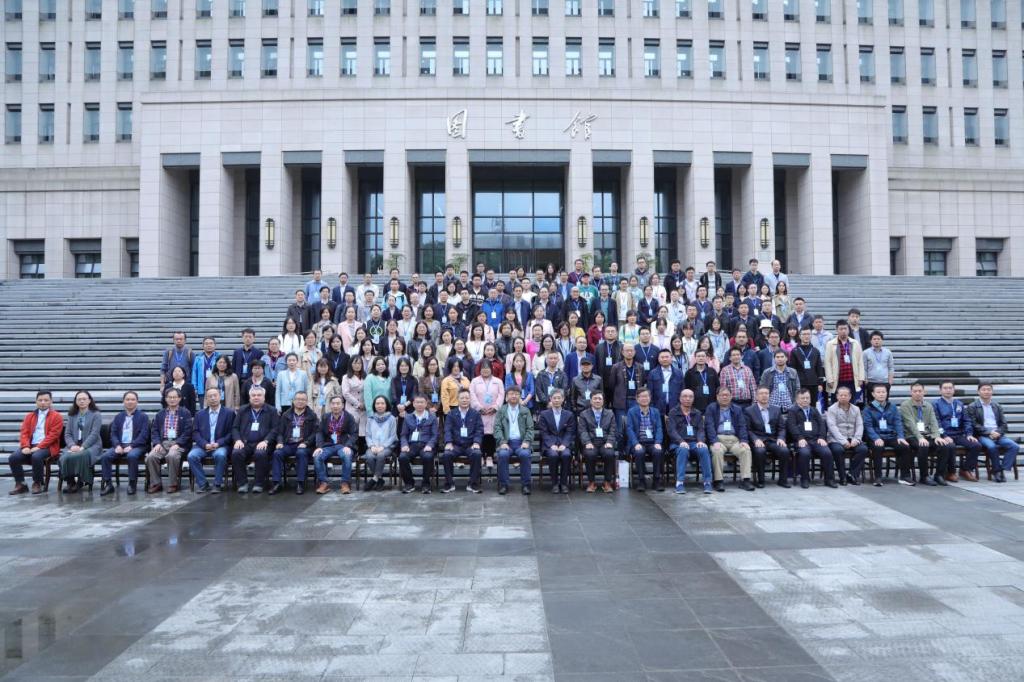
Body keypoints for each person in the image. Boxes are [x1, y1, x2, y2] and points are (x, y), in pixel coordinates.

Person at [10, 391, 63, 495]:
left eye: (46, 400)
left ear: (51, 401)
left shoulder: (57, 416)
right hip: (30, 445)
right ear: (36, 401)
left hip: (48, 446)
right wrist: (25, 446)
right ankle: (21, 484)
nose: (43, 402)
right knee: (13, 457)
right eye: (40, 400)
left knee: (36, 456)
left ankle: (37, 483)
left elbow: (53, 435)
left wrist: (39, 446)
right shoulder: (29, 416)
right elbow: (24, 433)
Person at [99, 391, 151, 496]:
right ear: (123, 401)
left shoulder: (143, 417)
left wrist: (132, 446)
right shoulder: (119, 417)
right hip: (121, 445)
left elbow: (144, 435)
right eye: (127, 399)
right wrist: (117, 445)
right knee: (105, 456)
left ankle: (132, 483)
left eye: (132, 399)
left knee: (132, 456)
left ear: (137, 402)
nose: (130, 402)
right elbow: (113, 433)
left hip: (137, 446)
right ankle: (108, 484)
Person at [704, 387, 754, 492]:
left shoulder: (737, 409)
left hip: (734, 439)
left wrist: (744, 441)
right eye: (722, 395)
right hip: (719, 439)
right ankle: (718, 481)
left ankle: (745, 480)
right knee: (716, 451)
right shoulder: (711, 408)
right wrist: (714, 441)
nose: (725, 397)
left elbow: (742, 426)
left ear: (731, 397)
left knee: (746, 450)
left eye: (727, 395)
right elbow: (709, 426)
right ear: (717, 397)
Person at [231, 386, 279, 494]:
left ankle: (258, 484)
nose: (256, 397)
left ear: (264, 397)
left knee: (260, 453)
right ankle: (242, 483)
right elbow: (235, 428)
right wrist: (237, 440)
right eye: (253, 395)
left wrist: (266, 441)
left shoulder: (272, 410)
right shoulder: (242, 410)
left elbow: (275, 429)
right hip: (245, 443)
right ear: (249, 398)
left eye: (259, 395)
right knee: (236, 453)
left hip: (263, 443)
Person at [967, 383, 1019, 483]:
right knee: (991, 447)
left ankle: (1000, 470)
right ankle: (997, 471)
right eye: (984, 390)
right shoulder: (972, 406)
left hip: (998, 434)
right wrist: (989, 432)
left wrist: (998, 432)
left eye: (989, 389)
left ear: (992, 392)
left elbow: (1004, 424)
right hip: (982, 435)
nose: (986, 392)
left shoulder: (997, 406)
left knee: (1014, 446)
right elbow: (974, 424)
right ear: (978, 392)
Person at [933, 380, 983, 481]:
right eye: (945, 388)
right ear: (940, 390)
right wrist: (944, 436)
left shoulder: (959, 404)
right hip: (945, 434)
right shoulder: (936, 404)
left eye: (950, 388)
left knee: (976, 445)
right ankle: (950, 472)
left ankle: (965, 469)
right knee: (950, 446)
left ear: (954, 390)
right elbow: (936, 422)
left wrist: (969, 434)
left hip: (958, 434)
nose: (948, 390)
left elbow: (966, 420)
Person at [146, 387, 193, 494]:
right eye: (170, 397)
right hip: (163, 443)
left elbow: (188, 432)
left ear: (179, 398)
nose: (172, 399)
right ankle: (156, 483)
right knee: (151, 456)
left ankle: (173, 484)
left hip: (179, 444)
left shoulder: (185, 413)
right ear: (166, 399)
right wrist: (157, 443)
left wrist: (178, 443)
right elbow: (154, 430)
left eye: (174, 397)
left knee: (172, 455)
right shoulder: (160, 414)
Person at [786, 389, 836, 489]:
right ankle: (805, 479)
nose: (805, 400)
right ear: (797, 399)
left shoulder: (814, 410)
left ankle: (829, 479)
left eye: (807, 398)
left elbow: (821, 424)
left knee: (827, 452)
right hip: (801, 440)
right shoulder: (793, 411)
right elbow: (792, 426)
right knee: (805, 453)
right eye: (802, 398)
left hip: (816, 440)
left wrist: (821, 437)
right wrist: (799, 438)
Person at [899, 382, 947, 487]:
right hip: (912, 436)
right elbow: (910, 424)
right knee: (923, 446)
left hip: (927, 435)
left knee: (944, 445)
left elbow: (934, 422)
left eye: (920, 391)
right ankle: (924, 476)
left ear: (924, 392)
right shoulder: (905, 405)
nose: (918, 393)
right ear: (911, 392)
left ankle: (939, 475)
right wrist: (920, 437)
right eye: (915, 391)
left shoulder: (928, 405)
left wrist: (937, 436)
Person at [270, 391, 318, 495]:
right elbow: (279, 432)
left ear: (307, 401)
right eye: (298, 399)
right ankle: (276, 483)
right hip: (288, 444)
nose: (300, 401)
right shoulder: (286, 415)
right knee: (277, 453)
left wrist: (306, 443)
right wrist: (280, 442)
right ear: (293, 401)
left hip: (304, 444)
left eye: (303, 399)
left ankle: (300, 482)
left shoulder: (312, 415)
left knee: (301, 453)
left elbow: (315, 433)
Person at [862, 384, 910, 486]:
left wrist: (901, 437)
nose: (881, 394)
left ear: (887, 393)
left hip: (891, 435)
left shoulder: (892, 407)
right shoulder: (868, 408)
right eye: (878, 392)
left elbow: (898, 423)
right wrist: (876, 438)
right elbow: (868, 426)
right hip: (876, 436)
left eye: (883, 392)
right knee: (878, 447)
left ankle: (905, 477)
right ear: (873, 394)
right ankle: (878, 477)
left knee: (904, 446)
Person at [668, 389, 713, 494]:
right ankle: (679, 483)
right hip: (678, 443)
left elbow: (701, 430)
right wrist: (680, 441)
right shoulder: (673, 412)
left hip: (694, 443)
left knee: (704, 449)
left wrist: (701, 440)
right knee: (683, 450)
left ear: (693, 399)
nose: (687, 399)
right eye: (685, 396)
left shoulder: (697, 413)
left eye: (690, 397)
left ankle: (707, 482)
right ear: (680, 398)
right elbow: (671, 431)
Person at [745, 386, 790, 489]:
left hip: (773, 440)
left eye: (766, 393)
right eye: (761, 393)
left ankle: (783, 480)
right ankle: (761, 480)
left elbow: (782, 427)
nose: (764, 396)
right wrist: (755, 439)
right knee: (760, 451)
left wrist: (781, 438)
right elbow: (748, 429)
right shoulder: (749, 410)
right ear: (756, 396)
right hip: (758, 440)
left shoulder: (776, 409)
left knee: (784, 451)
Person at [494, 386, 536, 495]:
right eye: (511, 394)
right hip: (506, 442)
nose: (514, 396)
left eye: (516, 394)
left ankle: (526, 485)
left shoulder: (525, 410)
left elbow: (530, 428)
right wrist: (502, 442)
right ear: (506, 397)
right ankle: (503, 485)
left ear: (520, 396)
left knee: (525, 455)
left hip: (521, 442)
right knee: (502, 455)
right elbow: (497, 428)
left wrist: (527, 441)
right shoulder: (501, 410)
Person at [59, 390, 102, 493]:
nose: (82, 401)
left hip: (92, 445)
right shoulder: (72, 415)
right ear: (76, 401)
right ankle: (70, 482)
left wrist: (83, 447)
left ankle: (81, 480)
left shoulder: (96, 414)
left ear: (89, 401)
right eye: (79, 399)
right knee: (64, 457)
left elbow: (94, 434)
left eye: (84, 399)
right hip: (74, 445)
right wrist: (72, 445)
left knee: (81, 455)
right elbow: (67, 434)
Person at [313, 396, 358, 494]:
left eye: (338, 403)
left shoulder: (349, 417)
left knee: (346, 455)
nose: (335, 406)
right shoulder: (325, 417)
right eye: (333, 403)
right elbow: (319, 432)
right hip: (328, 445)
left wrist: (348, 445)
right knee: (317, 456)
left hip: (343, 445)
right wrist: (319, 446)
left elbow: (354, 434)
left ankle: (345, 483)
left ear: (342, 405)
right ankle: (324, 483)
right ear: (330, 405)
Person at [442, 389, 484, 494]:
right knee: (446, 455)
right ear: (458, 399)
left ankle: (472, 484)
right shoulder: (451, 413)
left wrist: (476, 442)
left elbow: (479, 430)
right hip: (456, 445)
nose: (464, 400)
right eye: (462, 398)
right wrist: (448, 442)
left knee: (477, 454)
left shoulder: (475, 414)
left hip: (470, 444)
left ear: (470, 399)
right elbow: (447, 429)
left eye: (467, 398)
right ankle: (449, 483)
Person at [825, 386, 869, 486]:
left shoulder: (856, 409)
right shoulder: (832, 409)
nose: (843, 397)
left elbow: (859, 425)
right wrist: (843, 441)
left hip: (852, 438)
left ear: (850, 396)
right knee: (838, 450)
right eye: (841, 395)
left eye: (845, 395)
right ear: (837, 396)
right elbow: (832, 427)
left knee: (863, 449)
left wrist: (856, 439)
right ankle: (842, 476)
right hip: (836, 439)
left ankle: (852, 475)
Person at [625, 388, 664, 492]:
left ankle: (656, 480)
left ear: (650, 398)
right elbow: (629, 429)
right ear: (637, 399)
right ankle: (641, 480)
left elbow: (659, 428)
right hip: (638, 442)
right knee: (639, 452)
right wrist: (635, 443)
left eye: (646, 396)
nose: (644, 398)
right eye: (642, 396)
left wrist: (658, 442)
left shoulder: (655, 411)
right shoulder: (632, 411)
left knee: (658, 451)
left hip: (652, 442)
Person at [399, 395, 438, 493]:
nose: (419, 404)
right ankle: (409, 483)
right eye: (417, 402)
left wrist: (430, 445)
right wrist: (404, 445)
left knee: (428, 457)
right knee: (402, 457)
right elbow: (403, 435)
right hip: (412, 445)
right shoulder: (408, 417)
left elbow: (435, 435)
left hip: (426, 445)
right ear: (413, 404)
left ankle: (426, 484)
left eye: (422, 402)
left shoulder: (432, 417)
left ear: (426, 404)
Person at [824, 320, 864, 403]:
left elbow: (860, 361)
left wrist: (861, 378)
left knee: (851, 403)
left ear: (848, 330)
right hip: (837, 379)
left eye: (845, 329)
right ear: (837, 330)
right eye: (841, 329)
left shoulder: (855, 343)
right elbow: (827, 363)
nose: (843, 331)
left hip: (851, 378)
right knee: (836, 403)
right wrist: (830, 379)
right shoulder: (830, 344)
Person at [364, 396, 397, 492]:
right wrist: (372, 446)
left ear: (386, 405)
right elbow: (367, 435)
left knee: (380, 455)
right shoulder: (370, 419)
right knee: (369, 456)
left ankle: (374, 479)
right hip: (373, 446)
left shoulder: (391, 418)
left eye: (382, 403)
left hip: (387, 447)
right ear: (374, 405)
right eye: (377, 403)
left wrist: (383, 446)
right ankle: (380, 479)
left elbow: (393, 436)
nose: (380, 405)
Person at [647, 348, 685, 417]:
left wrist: (680, 405)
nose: (665, 359)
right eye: (662, 357)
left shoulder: (678, 373)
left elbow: (682, 390)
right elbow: (650, 392)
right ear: (658, 359)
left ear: (671, 358)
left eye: (667, 357)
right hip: (657, 408)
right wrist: (652, 407)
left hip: (675, 407)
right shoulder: (653, 373)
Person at [863, 331, 895, 399]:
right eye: (874, 339)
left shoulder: (888, 352)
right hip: (871, 382)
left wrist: (890, 381)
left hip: (884, 382)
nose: (876, 341)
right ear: (871, 341)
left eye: (878, 339)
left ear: (882, 340)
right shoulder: (866, 353)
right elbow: (864, 368)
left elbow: (891, 367)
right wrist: (866, 381)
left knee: (884, 402)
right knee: (871, 403)